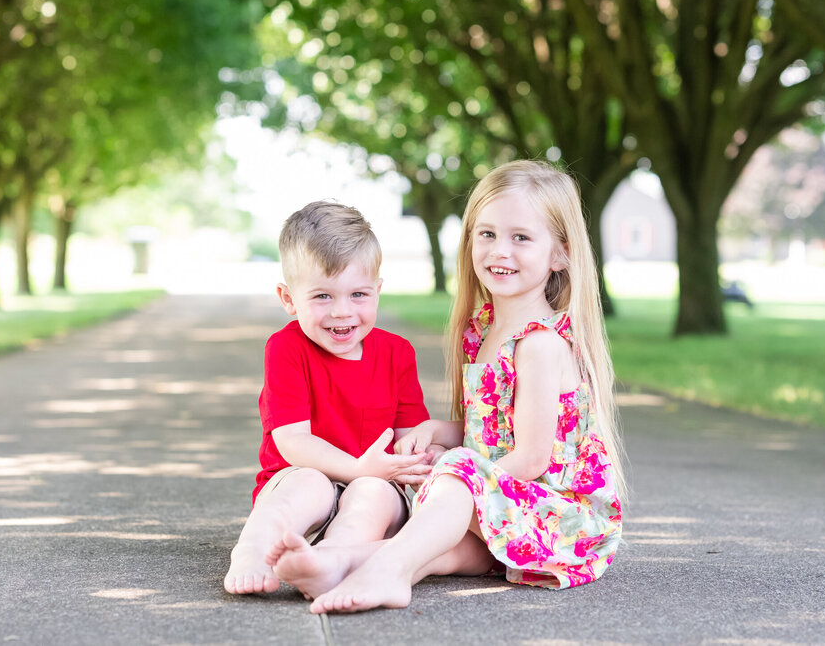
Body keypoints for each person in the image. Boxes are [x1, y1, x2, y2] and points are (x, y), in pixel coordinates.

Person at [267, 160, 627, 612]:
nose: (500, 251)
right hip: (517, 511)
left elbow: (532, 458)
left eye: (521, 237)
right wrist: (441, 432)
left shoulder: (539, 344)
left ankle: (389, 575)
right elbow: (496, 434)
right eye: (487, 234)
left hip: (563, 518)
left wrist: (453, 476)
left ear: (559, 253)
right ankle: (337, 562)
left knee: (452, 482)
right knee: (449, 549)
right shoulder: (483, 330)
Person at [223, 201, 434, 595]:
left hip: (377, 483)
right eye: (322, 296)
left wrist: (417, 456)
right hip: (300, 480)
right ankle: (253, 548)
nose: (342, 312)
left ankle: (330, 560)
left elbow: (411, 434)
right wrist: (359, 468)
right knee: (311, 485)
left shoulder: (397, 353)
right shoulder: (286, 349)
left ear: (378, 291)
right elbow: (293, 440)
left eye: (358, 294)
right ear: (288, 299)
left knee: (371, 496)